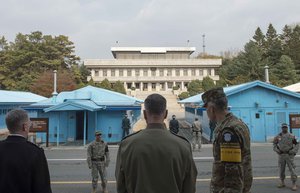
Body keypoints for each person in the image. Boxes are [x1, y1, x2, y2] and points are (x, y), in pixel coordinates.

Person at [115, 94, 197, 193]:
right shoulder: (183, 145)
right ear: (166, 114)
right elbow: (190, 186)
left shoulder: (127, 145)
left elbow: (120, 184)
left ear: (145, 114)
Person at [202, 87, 253, 193]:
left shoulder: (228, 131)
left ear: (211, 109)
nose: (207, 112)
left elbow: (232, 172)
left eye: (206, 108)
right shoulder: (238, 123)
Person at [0, 109, 52, 193]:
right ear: (25, 126)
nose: (30, 125)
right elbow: (42, 188)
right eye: (29, 123)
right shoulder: (35, 153)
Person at [273, 123, 299, 191]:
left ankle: (294, 183)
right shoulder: (278, 136)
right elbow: (274, 144)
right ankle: (282, 182)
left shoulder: (292, 136)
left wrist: (293, 151)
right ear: (281, 128)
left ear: (287, 128)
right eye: (283, 127)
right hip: (281, 155)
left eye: (285, 127)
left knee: (292, 170)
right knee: (281, 170)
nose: (284, 128)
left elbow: (297, 144)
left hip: (289, 155)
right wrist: (277, 150)